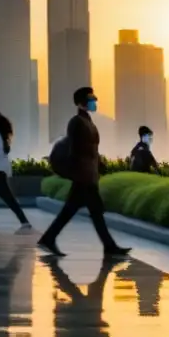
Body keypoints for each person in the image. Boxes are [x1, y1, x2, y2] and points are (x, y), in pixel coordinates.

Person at [37, 87, 131, 257]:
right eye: (90, 100)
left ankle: (49, 238)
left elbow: (92, 149)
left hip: (88, 174)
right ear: (81, 103)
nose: (94, 102)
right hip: (83, 176)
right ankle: (108, 246)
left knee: (82, 212)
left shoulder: (88, 121)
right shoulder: (76, 122)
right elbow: (74, 150)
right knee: (90, 212)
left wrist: (99, 163)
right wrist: (77, 172)